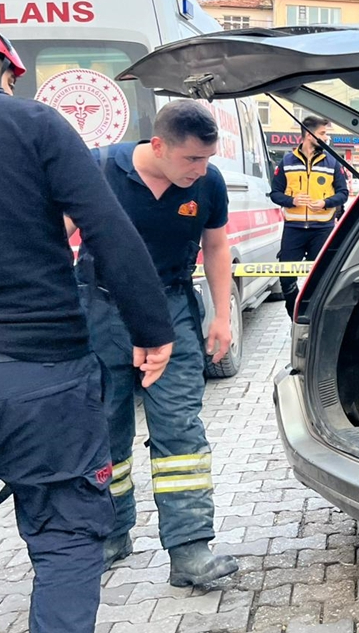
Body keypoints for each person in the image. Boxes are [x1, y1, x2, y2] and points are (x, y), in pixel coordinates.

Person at [0, 14, 175, 633]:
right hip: (43, 381)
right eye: (9, 77)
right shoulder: (34, 125)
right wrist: (152, 332)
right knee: (65, 544)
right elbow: (110, 234)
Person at [69, 101, 240, 587]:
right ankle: (111, 533)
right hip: (101, 312)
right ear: (158, 145)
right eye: (191, 160)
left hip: (173, 312)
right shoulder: (98, 169)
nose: (201, 170)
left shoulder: (208, 184)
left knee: (181, 430)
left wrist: (222, 317)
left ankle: (189, 550)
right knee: (104, 428)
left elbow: (216, 245)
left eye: (207, 159)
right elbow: (53, 235)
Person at [270, 115, 349, 319]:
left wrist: (325, 203)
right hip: (294, 228)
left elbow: (343, 193)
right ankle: (294, 316)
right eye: (323, 133)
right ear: (308, 134)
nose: (326, 137)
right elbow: (275, 194)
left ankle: (314, 317)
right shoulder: (287, 161)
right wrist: (292, 200)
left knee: (322, 279)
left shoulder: (332, 162)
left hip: (322, 229)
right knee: (286, 278)